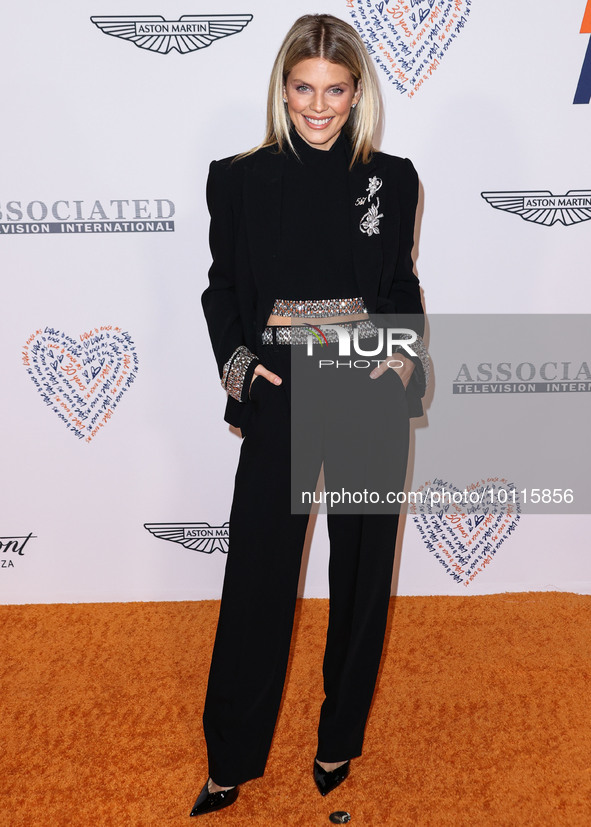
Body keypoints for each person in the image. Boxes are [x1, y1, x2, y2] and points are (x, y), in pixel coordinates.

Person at [190, 12, 429, 817]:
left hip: (367, 384)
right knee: (258, 571)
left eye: (333, 90)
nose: (317, 107)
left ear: (355, 92)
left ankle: (338, 740)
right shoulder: (237, 175)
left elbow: (399, 284)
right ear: (282, 89)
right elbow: (223, 289)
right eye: (302, 90)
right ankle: (229, 755)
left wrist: (403, 353)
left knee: (362, 573)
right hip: (282, 386)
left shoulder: (391, 178)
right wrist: (240, 369)